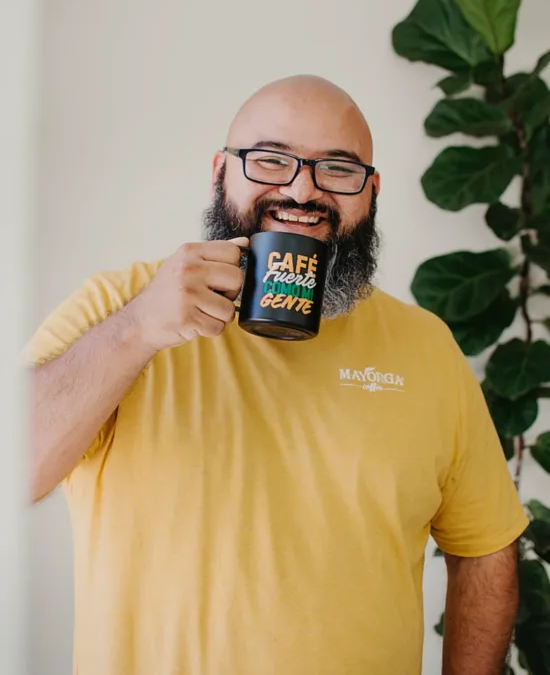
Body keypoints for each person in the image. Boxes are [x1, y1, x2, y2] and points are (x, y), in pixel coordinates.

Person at [28, 75, 528, 675]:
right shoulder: (117, 308)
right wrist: (137, 329)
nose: (301, 190)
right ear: (220, 172)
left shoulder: (426, 347)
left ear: (371, 192)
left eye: (337, 170)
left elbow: (484, 548)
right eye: (269, 160)